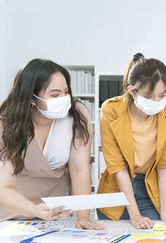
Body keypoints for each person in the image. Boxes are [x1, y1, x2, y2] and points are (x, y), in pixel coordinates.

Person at [0, 59, 104, 230]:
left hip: (55, 210)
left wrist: (83, 216)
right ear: (31, 98)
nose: (64, 99)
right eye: (55, 95)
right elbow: (4, 187)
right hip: (14, 209)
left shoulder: (77, 115)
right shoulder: (7, 122)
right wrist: (33, 209)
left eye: (66, 92)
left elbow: (80, 170)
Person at [97, 53, 166, 229]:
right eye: (149, 96)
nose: (157, 101)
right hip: (117, 191)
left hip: (151, 189)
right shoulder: (110, 109)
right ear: (132, 91)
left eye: (162, 95)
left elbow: (165, 163)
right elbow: (118, 167)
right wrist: (135, 215)